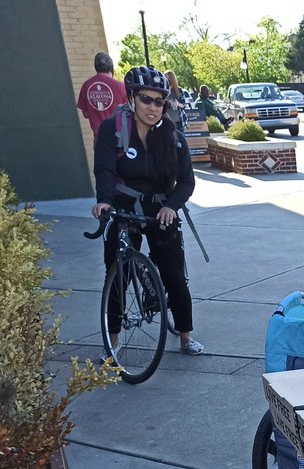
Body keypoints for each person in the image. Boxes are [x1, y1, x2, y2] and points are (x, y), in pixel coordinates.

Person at [91, 66, 204, 355]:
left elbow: (187, 181)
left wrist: (171, 206)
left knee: (174, 275)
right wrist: (104, 200)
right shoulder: (113, 130)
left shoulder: (173, 138)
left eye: (159, 101)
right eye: (145, 99)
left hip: (160, 208)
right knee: (118, 275)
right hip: (122, 206)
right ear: (131, 98)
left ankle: (186, 336)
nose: (152, 107)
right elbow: (104, 169)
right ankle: (113, 341)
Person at [76, 52, 126, 137]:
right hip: (119, 136)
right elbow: (129, 111)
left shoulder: (86, 86)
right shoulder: (120, 86)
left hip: (99, 137)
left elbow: (85, 114)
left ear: (96, 67)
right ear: (111, 67)